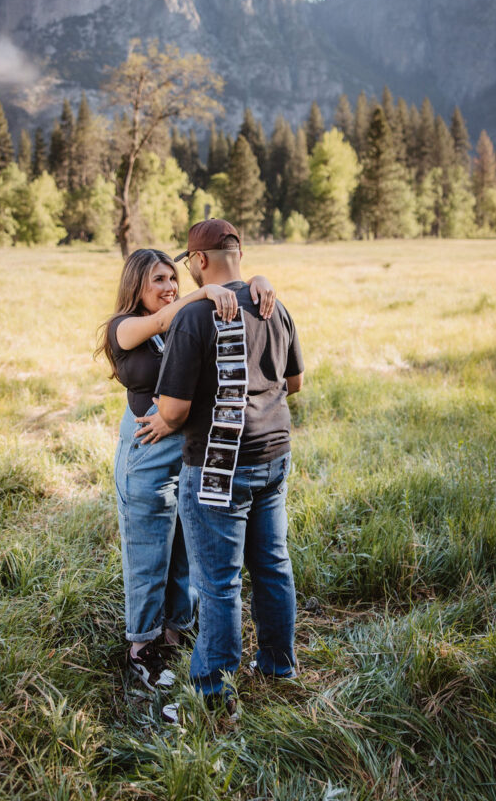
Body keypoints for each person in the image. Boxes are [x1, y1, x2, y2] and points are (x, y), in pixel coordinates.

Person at [95, 247, 276, 691]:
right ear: (136, 284)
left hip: (190, 452)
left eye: (173, 279)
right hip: (147, 454)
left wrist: (254, 282)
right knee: (147, 555)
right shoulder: (125, 327)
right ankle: (142, 648)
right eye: (158, 280)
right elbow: (159, 323)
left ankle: (176, 630)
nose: (169, 287)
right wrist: (204, 292)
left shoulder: (185, 317)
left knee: (184, 553)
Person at [155, 219, 304, 717]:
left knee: (218, 583)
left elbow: (173, 410)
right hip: (274, 455)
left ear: (199, 261)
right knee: (273, 564)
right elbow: (296, 382)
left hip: (220, 467)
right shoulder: (272, 304)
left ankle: (213, 695)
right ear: (238, 254)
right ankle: (279, 668)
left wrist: (156, 419)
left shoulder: (195, 318)